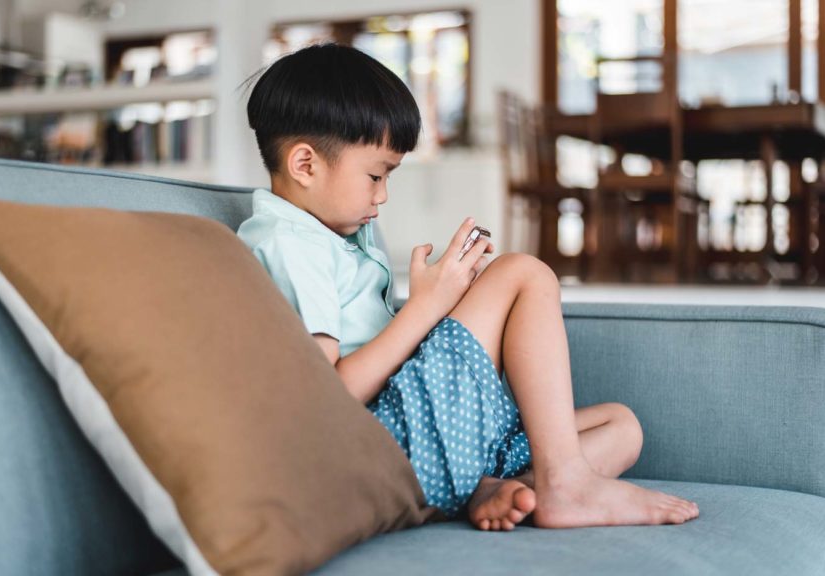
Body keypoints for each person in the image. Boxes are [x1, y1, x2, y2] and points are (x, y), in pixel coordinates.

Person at [237, 43, 699, 531]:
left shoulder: (329, 229)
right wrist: (427, 309)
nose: (383, 195)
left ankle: (491, 489)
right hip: (384, 440)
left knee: (620, 426)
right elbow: (332, 393)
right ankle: (562, 487)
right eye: (376, 175)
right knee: (523, 272)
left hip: (423, 429)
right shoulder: (290, 243)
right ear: (305, 165)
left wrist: (434, 306)